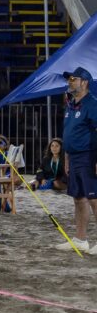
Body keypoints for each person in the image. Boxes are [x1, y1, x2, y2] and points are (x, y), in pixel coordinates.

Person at [54, 67, 97, 253]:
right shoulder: (71, 104)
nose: (69, 82)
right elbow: (68, 134)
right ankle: (80, 239)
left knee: (94, 198)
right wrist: (66, 158)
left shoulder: (92, 104)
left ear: (84, 82)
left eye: (73, 79)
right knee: (79, 199)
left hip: (89, 156)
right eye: (69, 79)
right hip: (74, 157)